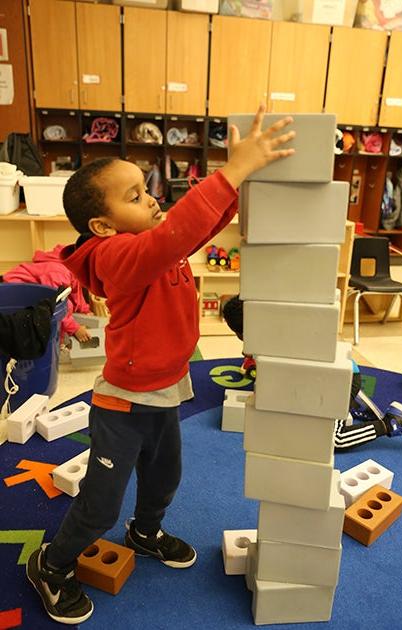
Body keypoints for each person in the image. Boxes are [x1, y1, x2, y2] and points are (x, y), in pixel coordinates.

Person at [26, 106, 296, 625]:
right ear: (101, 226)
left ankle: (144, 532)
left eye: (146, 189)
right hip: (123, 402)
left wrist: (242, 184)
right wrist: (231, 172)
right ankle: (52, 563)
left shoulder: (153, 245)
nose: (152, 199)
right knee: (101, 503)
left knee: (164, 477)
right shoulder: (113, 257)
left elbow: (192, 231)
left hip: (165, 389)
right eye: (135, 197)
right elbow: (174, 237)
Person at [222, 295, 402, 449]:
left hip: (337, 382)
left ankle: (392, 421)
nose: (240, 340)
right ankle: (353, 401)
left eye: (241, 334)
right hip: (340, 372)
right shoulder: (279, 322)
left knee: (336, 440)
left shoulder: (278, 344)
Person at [2, 245, 92, 344]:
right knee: (62, 308)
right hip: (14, 291)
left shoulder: (71, 269)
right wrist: (75, 329)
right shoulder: (57, 273)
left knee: (67, 305)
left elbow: (74, 290)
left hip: (33, 288)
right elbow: (56, 305)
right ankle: (57, 342)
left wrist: (85, 310)